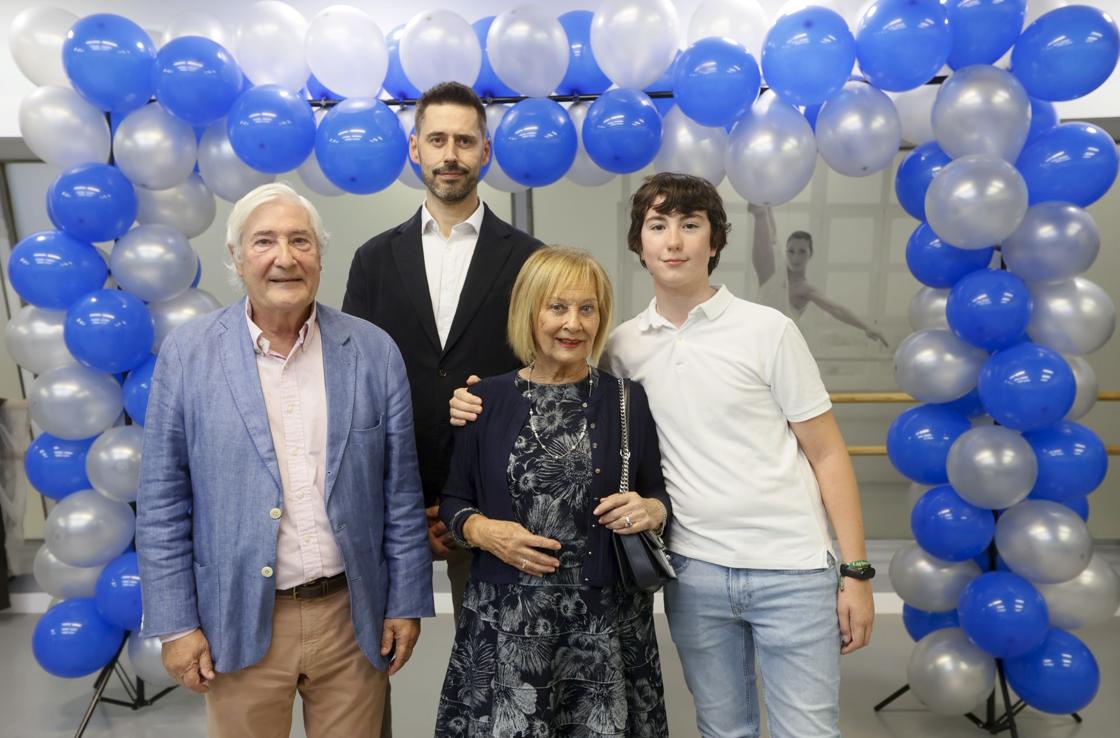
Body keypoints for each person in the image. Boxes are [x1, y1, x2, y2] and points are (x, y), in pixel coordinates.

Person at [453, 174, 875, 738]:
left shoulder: (769, 331)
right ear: (640, 243)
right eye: (658, 226)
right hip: (694, 570)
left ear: (714, 241)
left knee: (809, 732)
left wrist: (856, 571)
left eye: (690, 225)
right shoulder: (623, 347)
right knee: (723, 731)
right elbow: (577, 418)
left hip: (791, 567)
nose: (674, 241)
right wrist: (476, 401)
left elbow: (827, 455)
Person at [136, 183, 433, 738]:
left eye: (300, 241)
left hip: (351, 619)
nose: (284, 257)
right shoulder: (188, 354)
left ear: (320, 255)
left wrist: (406, 603)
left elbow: (400, 493)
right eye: (264, 241)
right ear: (236, 257)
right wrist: (176, 625)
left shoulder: (373, 352)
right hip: (236, 619)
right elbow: (162, 503)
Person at [437, 247, 672, 736]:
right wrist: (483, 531)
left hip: (605, 626)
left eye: (587, 309)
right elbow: (455, 501)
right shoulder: (482, 400)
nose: (573, 324)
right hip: (507, 624)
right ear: (530, 312)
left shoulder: (627, 399)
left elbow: (656, 492)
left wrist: (651, 509)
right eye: (558, 307)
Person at [342, 81, 542, 623]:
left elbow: (545, 379)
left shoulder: (530, 259)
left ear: (485, 150)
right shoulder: (372, 260)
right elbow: (354, 387)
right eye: (437, 140)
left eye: (464, 141)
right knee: (371, 660)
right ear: (415, 148)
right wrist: (411, 504)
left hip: (495, 506)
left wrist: (462, 506)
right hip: (391, 503)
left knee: (495, 661)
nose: (450, 154)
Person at [750, 201, 889, 347]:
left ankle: (761, 211)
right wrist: (768, 205)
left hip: (776, 343)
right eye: (791, 251)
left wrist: (866, 326)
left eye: (802, 252)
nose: (796, 257)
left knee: (771, 255)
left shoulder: (805, 289)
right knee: (772, 250)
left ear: (810, 254)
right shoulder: (776, 272)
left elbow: (835, 309)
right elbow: (772, 238)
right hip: (758, 335)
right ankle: (761, 209)